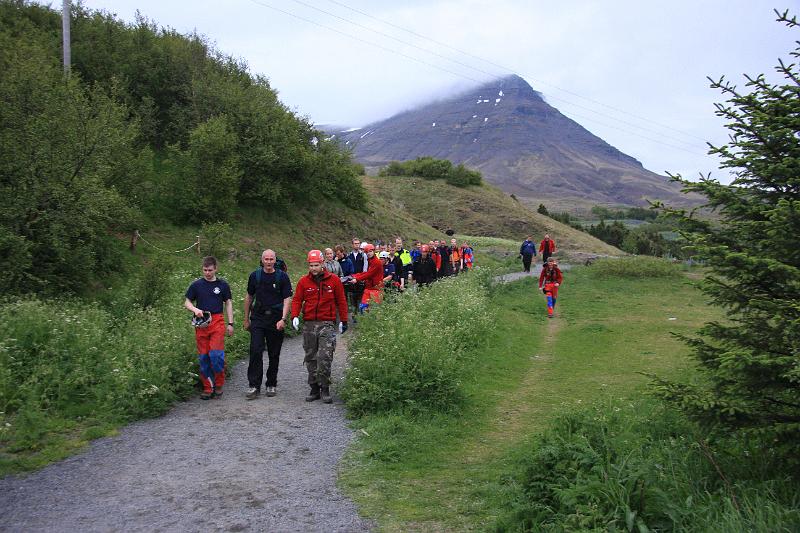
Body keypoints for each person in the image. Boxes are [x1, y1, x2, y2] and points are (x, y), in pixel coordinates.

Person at [291, 250, 348, 403]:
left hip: (326, 323)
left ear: (322, 264)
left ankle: (325, 387)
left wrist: (344, 320)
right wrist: (295, 315)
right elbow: (297, 300)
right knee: (311, 356)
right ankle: (314, 387)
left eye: (316, 265)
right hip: (309, 323)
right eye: (311, 265)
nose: (314, 268)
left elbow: (341, 301)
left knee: (325, 356)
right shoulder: (303, 282)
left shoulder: (334, 280)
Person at [243, 249, 293, 400]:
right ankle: (254, 385)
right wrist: (246, 319)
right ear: (262, 260)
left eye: (272, 259)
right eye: (267, 259)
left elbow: (287, 298)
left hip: (276, 319)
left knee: (274, 353)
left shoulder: (282, 277)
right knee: (256, 350)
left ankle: (271, 383)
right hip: (258, 318)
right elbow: (249, 297)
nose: (269, 262)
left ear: (275, 260)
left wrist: (283, 319)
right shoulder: (255, 276)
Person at [184, 256, 234, 400]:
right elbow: (187, 302)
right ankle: (208, 387)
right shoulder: (196, 285)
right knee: (204, 357)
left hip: (217, 321)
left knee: (215, 355)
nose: (207, 273)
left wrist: (231, 324)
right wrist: (194, 309)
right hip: (201, 322)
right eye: (205, 270)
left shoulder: (223, 285)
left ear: (215, 269)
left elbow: (228, 303)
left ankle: (218, 384)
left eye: (210, 270)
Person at [350, 243, 384, 312]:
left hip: (376, 289)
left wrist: (357, 279)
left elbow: (369, 274)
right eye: (367, 252)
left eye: (370, 251)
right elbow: (367, 272)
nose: (369, 253)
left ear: (374, 251)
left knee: (374, 311)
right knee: (363, 308)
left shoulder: (377, 262)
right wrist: (356, 275)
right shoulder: (370, 261)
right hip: (369, 288)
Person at [347, 238, 367, 320]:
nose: (357, 245)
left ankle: (361, 316)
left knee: (361, 298)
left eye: (358, 243)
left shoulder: (363, 255)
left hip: (360, 279)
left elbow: (365, 268)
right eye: (355, 243)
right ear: (352, 244)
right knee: (352, 298)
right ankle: (354, 315)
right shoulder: (349, 255)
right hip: (352, 279)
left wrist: (363, 277)